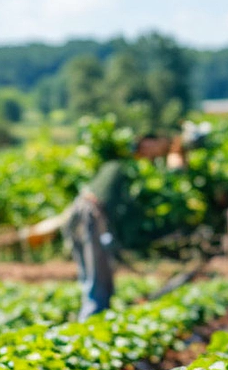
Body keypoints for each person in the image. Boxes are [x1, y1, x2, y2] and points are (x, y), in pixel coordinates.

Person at [63, 134, 176, 320]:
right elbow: (121, 208)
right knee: (96, 273)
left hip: (80, 211)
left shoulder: (116, 166)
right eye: (148, 147)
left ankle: (95, 316)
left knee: (92, 272)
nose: (151, 152)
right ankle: (91, 321)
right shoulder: (124, 168)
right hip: (90, 213)